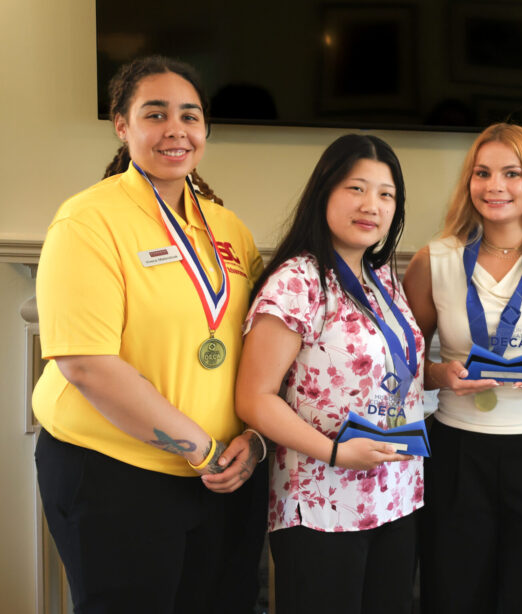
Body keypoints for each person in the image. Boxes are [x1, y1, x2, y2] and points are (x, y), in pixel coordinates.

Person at [33, 56, 267, 613]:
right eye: (154, 114)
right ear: (122, 125)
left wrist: (253, 442)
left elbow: (263, 346)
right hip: (117, 475)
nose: (175, 130)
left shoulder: (227, 226)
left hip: (225, 476)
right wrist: (202, 451)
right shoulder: (88, 220)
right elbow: (86, 365)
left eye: (189, 115)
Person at [403, 123, 522, 613]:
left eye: (512, 173)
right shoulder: (434, 261)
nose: (495, 186)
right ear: (469, 182)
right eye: (482, 173)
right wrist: (441, 375)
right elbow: (402, 367)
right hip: (456, 454)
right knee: (452, 597)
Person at [235, 133, 424, 614]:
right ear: (324, 193)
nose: (372, 205)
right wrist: (336, 453)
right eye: (356, 189)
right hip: (322, 503)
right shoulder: (297, 280)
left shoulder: (382, 278)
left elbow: (394, 369)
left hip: (394, 493)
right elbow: (254, 398)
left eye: (386, 194)